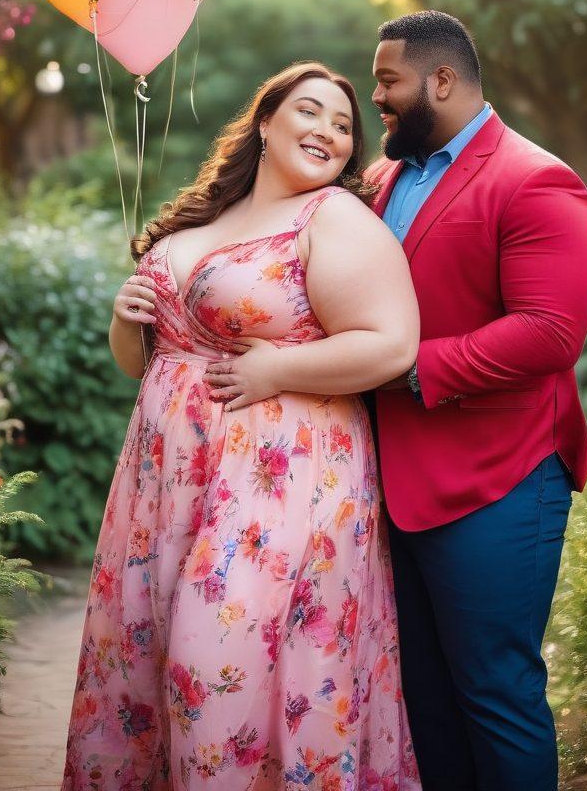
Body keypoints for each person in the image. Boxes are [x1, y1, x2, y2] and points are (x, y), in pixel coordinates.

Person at [61, 63, 422, 791]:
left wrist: (276, 370)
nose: (327, 131)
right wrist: (125, 320)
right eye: (309, 111)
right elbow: (143, 363)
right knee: (150, 656)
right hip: (168, 480)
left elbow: (393, 345)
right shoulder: (202, 220)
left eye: (343, 125)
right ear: (264, 122)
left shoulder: (333, 218)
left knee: (213, 659)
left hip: (276, 479)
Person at [363, 11, 587, 791]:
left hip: (498, 480)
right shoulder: (383, 180)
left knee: (496, 694)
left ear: (441, 80)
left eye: (388, 81)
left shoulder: (536, 179)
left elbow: (549, 333)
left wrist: (402, 368)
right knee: (425, 699)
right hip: (393, 481)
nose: (376, 97)